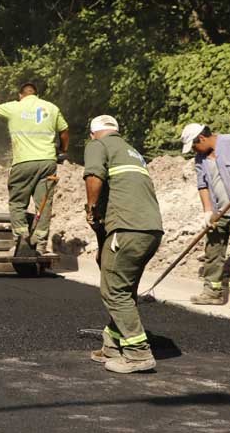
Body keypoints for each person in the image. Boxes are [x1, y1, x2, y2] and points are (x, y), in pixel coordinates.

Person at [84, 115, 163, 374]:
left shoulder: (98, 145)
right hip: (149, 229)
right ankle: (112, 345)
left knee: (115, 292)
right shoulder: (132, 152)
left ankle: (138, 354)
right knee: (125, 290)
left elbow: (94, 176)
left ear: (94, 132)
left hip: (127, 228)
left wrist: (91, 208)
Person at [0, 82, 69, 254]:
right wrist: (62, 150)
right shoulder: (51, 108)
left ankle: (21, 239)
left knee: (18, 203)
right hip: (48, 163)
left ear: (20, 95)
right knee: (44, 204)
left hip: (23, 163)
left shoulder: (15, 107)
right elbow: (64, 130)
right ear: (36, 94)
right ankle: (40, 245)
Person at [180, 123, 230, 310]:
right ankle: (212, 293)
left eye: (194, 146)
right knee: (213, 252)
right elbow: (202, 185)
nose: (194, 150)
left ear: (201, 138)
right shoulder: (200, 158)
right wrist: (208, 211)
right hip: (219, 212)